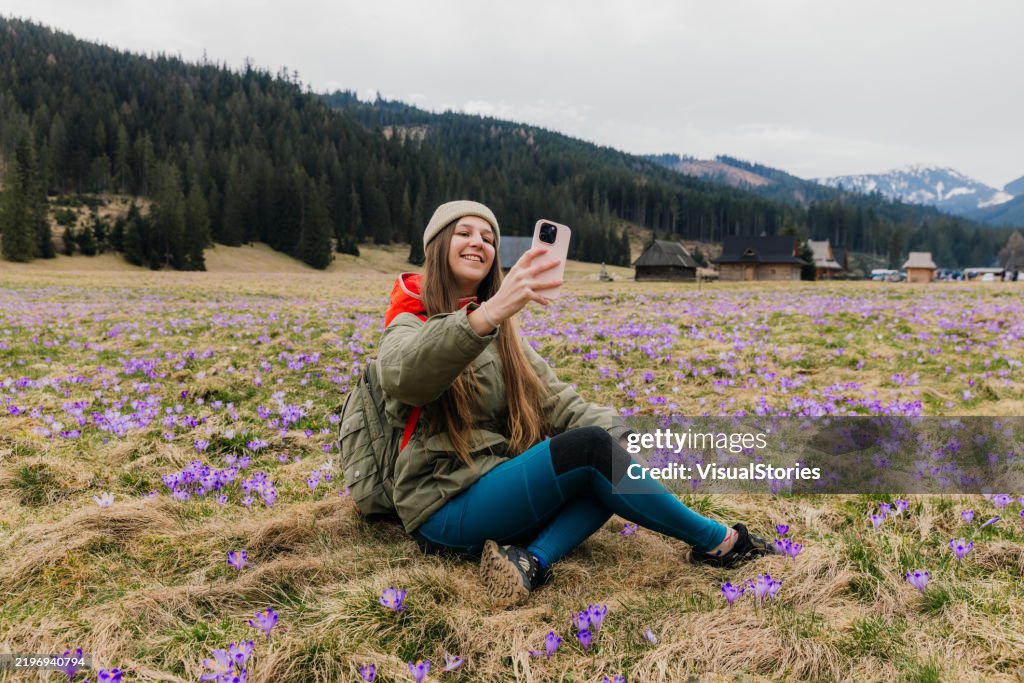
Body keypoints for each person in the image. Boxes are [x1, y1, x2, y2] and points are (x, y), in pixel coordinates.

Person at [378, 200, 778, 607]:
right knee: (592, 451)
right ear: (437, 246)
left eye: (488, 238)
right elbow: (406, 378)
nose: (478, 243)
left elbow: (559, 401)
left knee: (610, 460)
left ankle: (532, 562)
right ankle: (719, 542)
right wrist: (489, 314)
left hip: (494, 487)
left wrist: (628, 438)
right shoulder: (409, 320)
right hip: (442, 508)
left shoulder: (503, 334)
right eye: (464, 233)